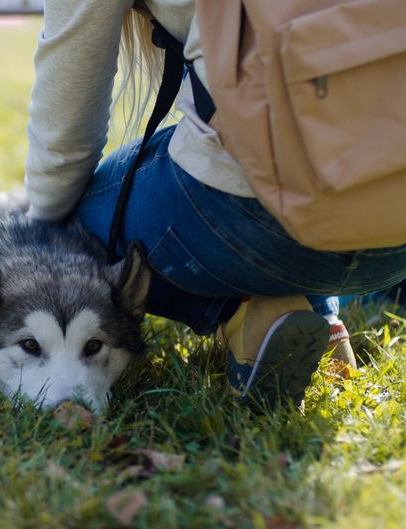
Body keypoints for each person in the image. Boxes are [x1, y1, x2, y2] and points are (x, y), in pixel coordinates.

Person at [23, 0, 406, 406]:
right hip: (395, 243)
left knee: (85, 212)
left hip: (257, 229)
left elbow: (64, 138)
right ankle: (321, 323)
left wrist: (42, 236)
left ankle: (249, 313)